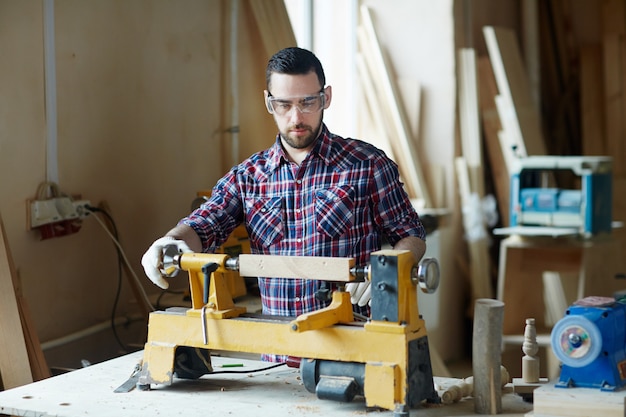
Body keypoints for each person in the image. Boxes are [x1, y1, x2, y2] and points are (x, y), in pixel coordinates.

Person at [141, 46, 427, 363]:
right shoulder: (248, 177)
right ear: (268, 102)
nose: (296, 117)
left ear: (326, 98)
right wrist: (171, 241)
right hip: (277, 358)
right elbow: (205, 223)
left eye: (308, 102)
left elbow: (412, 233)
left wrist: (388, 270)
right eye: (284, 105)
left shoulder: (368, 165)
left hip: (353, 353)